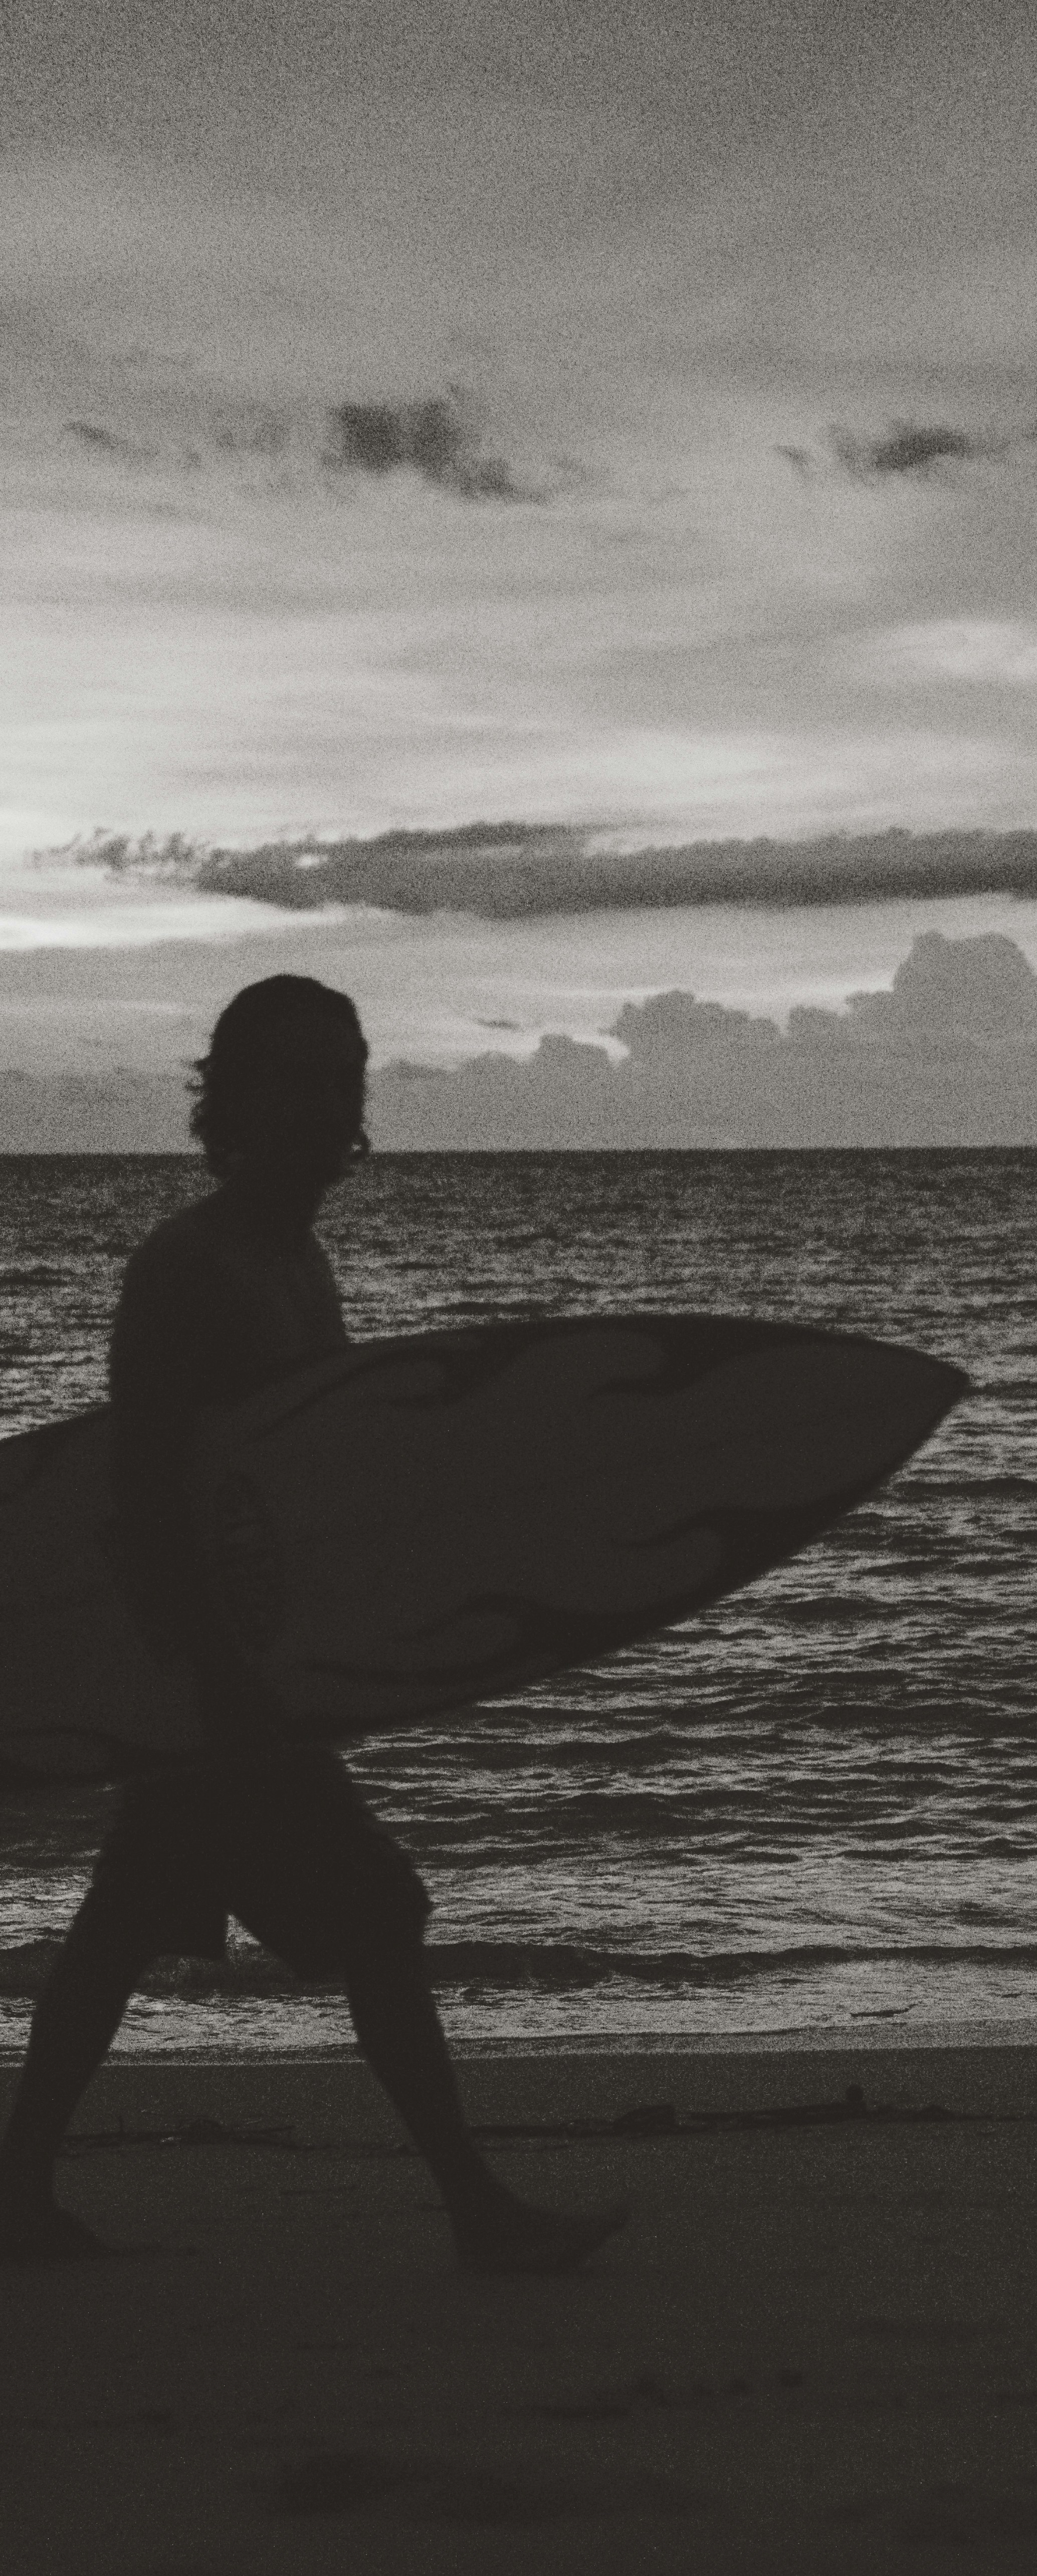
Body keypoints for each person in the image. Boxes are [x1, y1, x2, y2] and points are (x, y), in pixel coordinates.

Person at [0, 973, 628, 2272]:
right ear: (229, 1099)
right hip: (220, 1688)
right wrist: (218, 1688)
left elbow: (301, 1491)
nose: (327, 1101)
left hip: (245, 1681)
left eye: (342, 1072)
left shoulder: (296, 1257)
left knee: (123, 1921)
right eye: (295, 1076)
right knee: (382, 1910)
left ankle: (16, 2188)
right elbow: (145, 1497)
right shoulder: (192, 1265)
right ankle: (475, 2212)